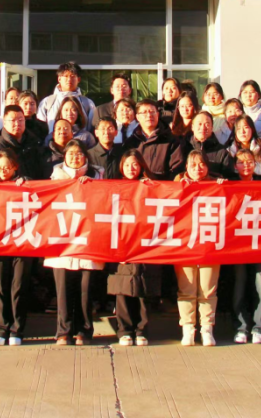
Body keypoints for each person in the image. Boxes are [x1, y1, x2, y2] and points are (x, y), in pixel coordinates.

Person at [47, 140, 104, 345]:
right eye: (70, 154)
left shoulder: (98, 176)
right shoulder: (55, 177)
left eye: (79, 154)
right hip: (62, 241)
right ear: (64, 157)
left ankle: (84, 331)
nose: (75, 158)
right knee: (63, 290)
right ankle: (63, 331)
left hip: (88, 241)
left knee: (85, 289)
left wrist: (92, 187)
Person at [108, 149, 158, 347]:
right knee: (123, 288)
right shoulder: (114, 187)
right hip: (121, 243)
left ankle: (141, 330)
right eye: (127, 165)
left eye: (135, 164)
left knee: (142, 289)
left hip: (144, 245)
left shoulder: (151, 186)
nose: (131, 168)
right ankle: (124, 330)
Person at [174, 151, 224, 346]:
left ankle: (207, 328)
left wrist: (224, 188)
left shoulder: (216, 185)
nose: (198, 169)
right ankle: (188, 328)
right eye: (193, 165)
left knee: (208, 289)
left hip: (209, 244)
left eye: (202, 164)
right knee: (186, 289)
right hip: (184, 245)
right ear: (186, 167)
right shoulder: (176, 184)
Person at [0, 149, 31, 346]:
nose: (3, 171)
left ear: (15, 167)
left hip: (22, 243)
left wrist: (26, 184)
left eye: (7, 167)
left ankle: (16, 330)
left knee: (18, 286)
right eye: (0, 167)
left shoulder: (26, 184)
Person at [232, 148, 261, 344]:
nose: (246, 165)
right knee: (239, 285)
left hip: (260, 241)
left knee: (260, 285)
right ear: (235, 166)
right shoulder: (229, 183)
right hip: (237, 243)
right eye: (241, 162)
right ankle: (241, 327)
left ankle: (259, 327)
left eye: (249, 161)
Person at [124, 99, 183, 181]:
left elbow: (177, 169)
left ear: (158, 114)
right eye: (144, 112)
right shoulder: (131, 142)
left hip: (162, 186)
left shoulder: (171, 140)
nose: (149, 115)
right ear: (137, 117)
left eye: (152, 112)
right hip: (138, 187)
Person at [0, 106, 49, 180]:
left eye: (20, 120)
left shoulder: (34, 141)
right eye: (13, 120)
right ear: (4, 123)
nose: (17, 124)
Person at [37, 62, 96, 134]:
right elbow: (40, 128)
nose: (69, 79)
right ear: (59, 79)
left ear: (79, 79)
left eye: (72, 76)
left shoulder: (88, 103)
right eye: (66, 76)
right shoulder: (47, 102)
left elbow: (92, 128)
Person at [180, 111, 232, 179]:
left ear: (212, 127)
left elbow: (229, 178)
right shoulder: (183, 148)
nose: (203, 128)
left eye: (207, 124)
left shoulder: (222, 153)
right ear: (192, 127)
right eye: (199, 124)